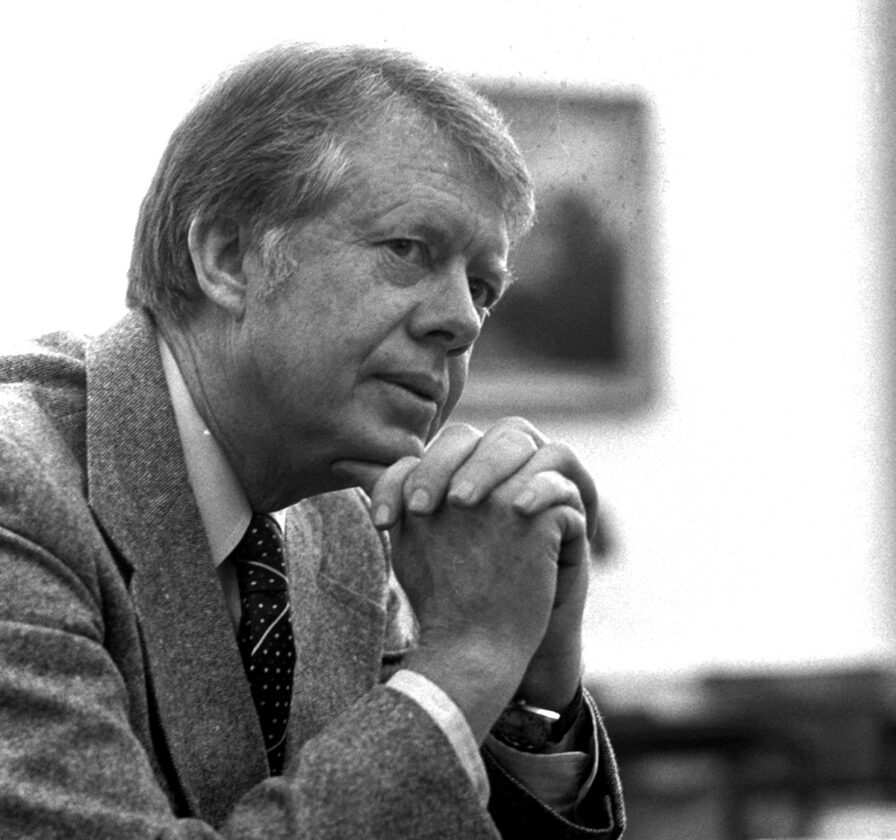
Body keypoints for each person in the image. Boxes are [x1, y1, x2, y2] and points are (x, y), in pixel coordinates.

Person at [0, 43, 625, 839]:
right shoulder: (19, 488)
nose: (464, 322)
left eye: (482, 288)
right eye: (408, 250)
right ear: (228, 258)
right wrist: (468, 656)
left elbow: (407, 795)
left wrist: (528, 686)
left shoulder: (344, 522)